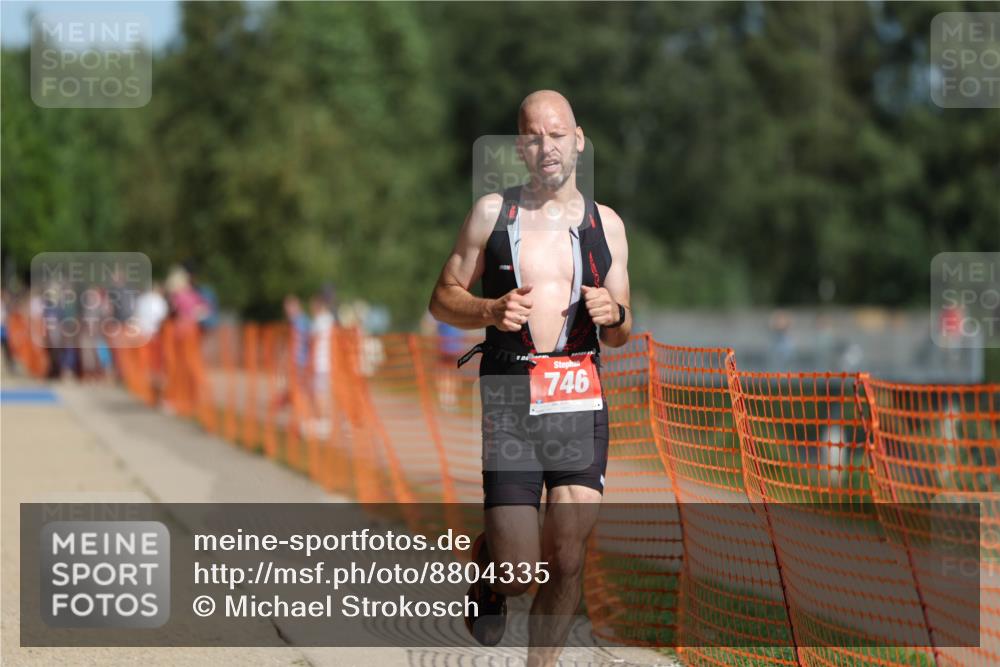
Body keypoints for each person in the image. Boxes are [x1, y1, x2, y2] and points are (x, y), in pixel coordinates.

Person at [428, 90, 631, 666]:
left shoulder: (606, 225)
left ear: (579, 139)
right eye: (536, 136)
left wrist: (612, 315)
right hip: (511, 399)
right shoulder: (494, 214)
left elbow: (621, 325)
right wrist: (488, 311)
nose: (548, 147)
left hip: (578, 398)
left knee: (567, 557)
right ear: (521, 147)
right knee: (521, 572)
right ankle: (492, 563)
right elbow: (442, 299)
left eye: (558, 134)